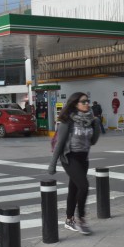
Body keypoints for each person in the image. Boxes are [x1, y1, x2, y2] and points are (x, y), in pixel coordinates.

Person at [49, 92, 101, 235]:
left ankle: (69, 220)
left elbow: (93, 141)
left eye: (87, 101)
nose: (87, 104)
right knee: (84, 186)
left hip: (83, 158)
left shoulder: (90, 120)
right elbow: (60, 143)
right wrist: (52, 163)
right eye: (83, 101)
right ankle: (81, 219)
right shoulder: (68, 121)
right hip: (69, 157)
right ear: (75, 104)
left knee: (74, 188)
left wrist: (96, 125)